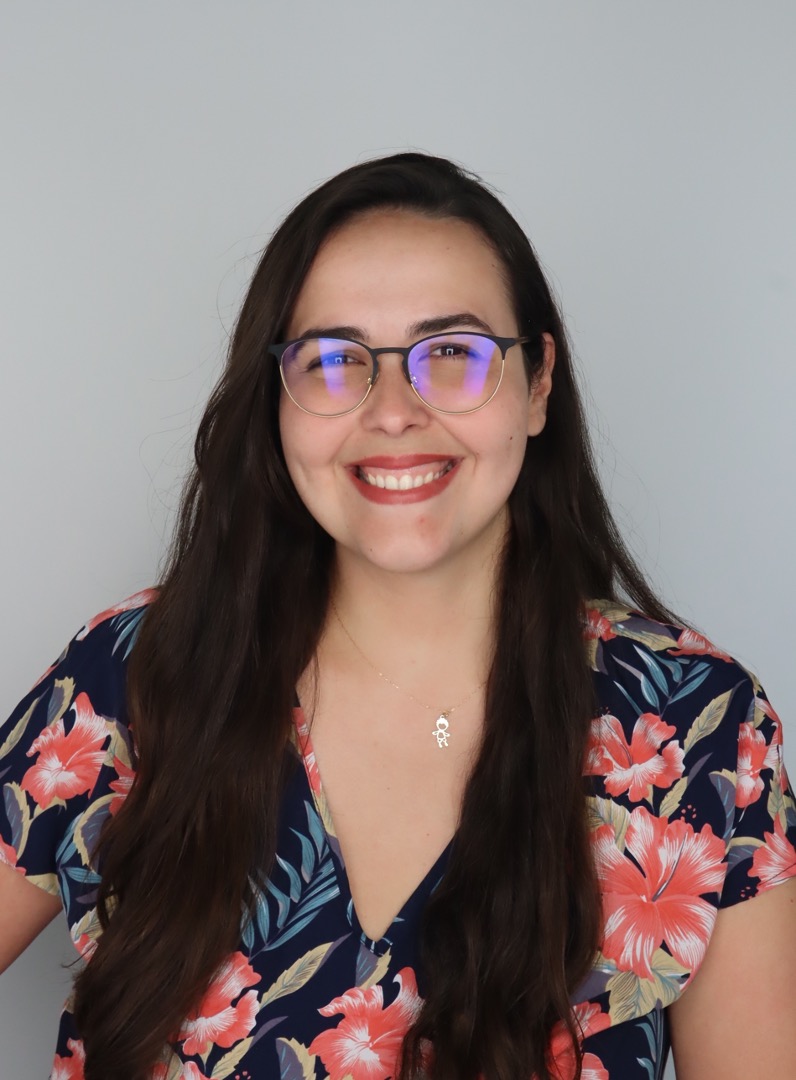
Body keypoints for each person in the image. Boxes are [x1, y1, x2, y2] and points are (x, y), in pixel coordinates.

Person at [1, 152, 794, 1080]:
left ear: (538, 384)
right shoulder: (130, 679)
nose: (392, 412)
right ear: (278, 402)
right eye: (335, 361)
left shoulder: (699, 730)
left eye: (451, 354)